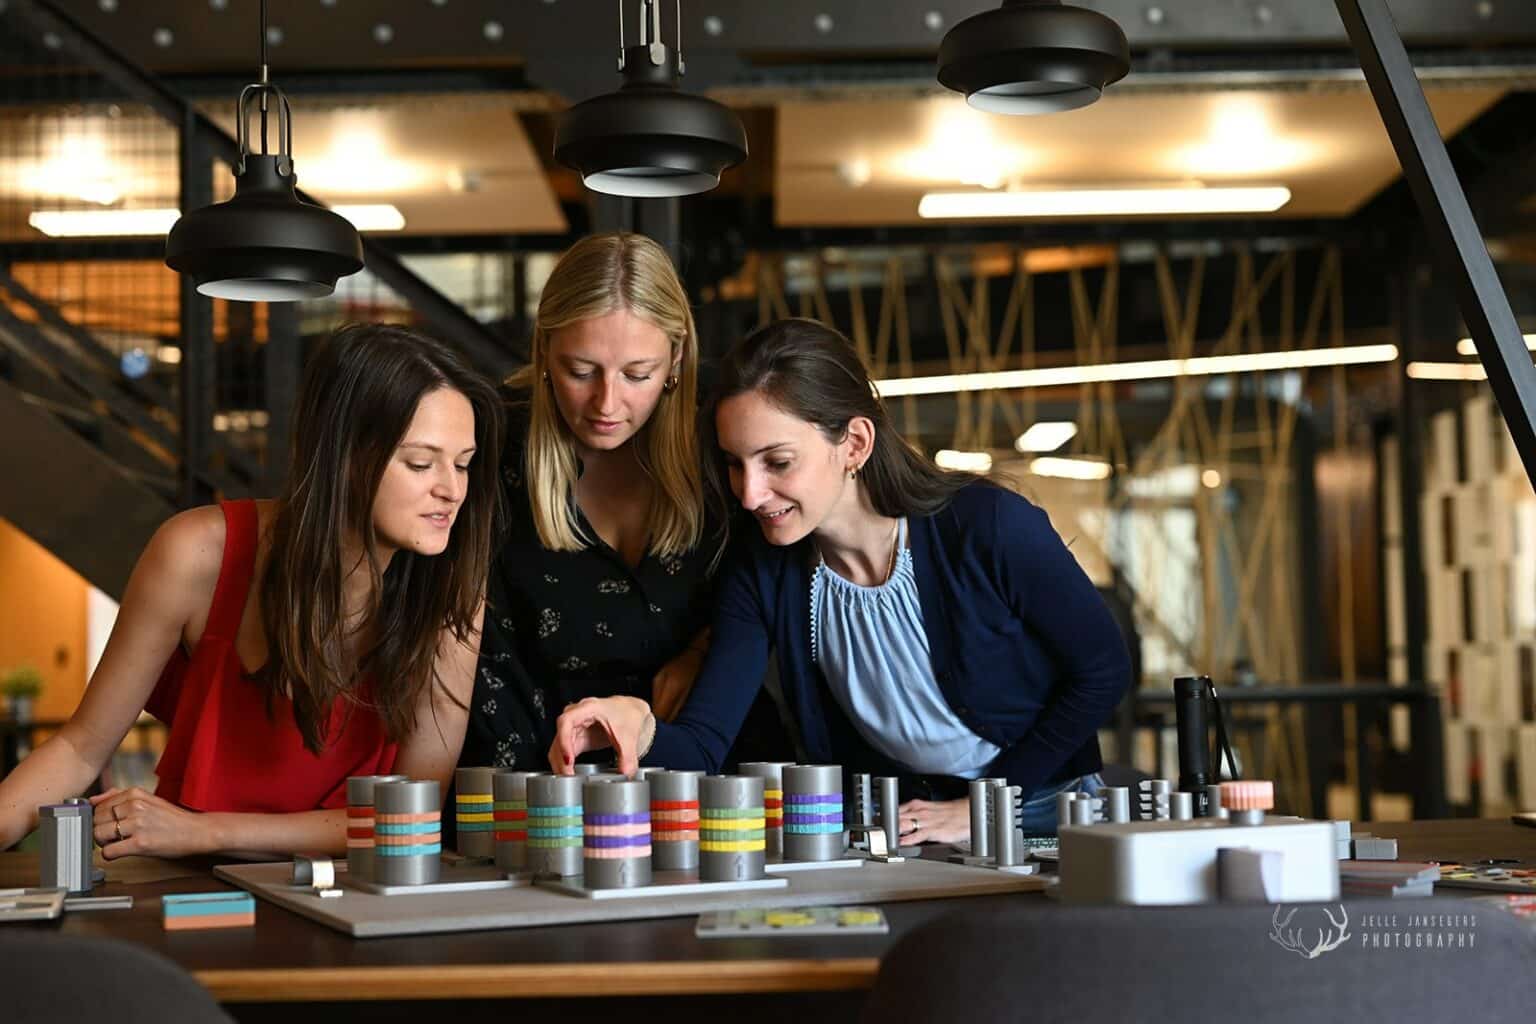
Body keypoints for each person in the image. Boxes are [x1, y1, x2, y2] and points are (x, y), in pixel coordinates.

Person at [550, 317, 1132, 840]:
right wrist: (640, 728)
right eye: (734, 463)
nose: (749, 494)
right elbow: (705, 744)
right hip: (906, 822)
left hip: (1044, 804)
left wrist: (983, 807)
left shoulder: (988, 525)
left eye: (777, 462)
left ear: (854, 443)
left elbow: (1104, 670)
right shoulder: (762, 570)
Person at [0, 323, 503, 859]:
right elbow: (79, 748)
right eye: (421, 463)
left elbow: (412, 819)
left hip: (358, 894)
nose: (452, 489)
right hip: (191, 888)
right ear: (345, 456)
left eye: (463, 464)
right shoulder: (198, 553)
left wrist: (207, 831)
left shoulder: (451, 593)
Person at [459, 232, 785, 774]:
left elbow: (783, 570)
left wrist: (708, 649)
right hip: (544, 773)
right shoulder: (488, 445)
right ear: (544, 351)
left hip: (717, 766)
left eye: (638, 375)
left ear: (676, 356)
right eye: (580, 371)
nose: (607, 403)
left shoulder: (725, 436)